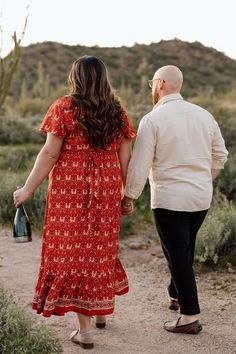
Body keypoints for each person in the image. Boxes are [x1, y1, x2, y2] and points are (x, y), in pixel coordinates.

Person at [13, 55, 135, 349]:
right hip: (106, 185)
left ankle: (86, 331)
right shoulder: (118, 112)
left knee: (73, 251)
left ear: (76, 77)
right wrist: (127, 193)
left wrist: (27, 189)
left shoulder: (64, 107)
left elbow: (49, 153)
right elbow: (126, 156)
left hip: (71, 187)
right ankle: (99, 312)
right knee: (99, 247)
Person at [122, 65, 228, 334]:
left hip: (170, 199)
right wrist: (205, 179)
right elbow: (221, 155)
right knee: (185, 247)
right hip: (201, 197)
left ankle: (190, 316)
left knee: (178, 254)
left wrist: (129, 196)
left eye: (151, 84)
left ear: (160, 84)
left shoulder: (153, 119)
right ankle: (175, 294)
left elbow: (140, 164)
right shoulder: (204, 115)